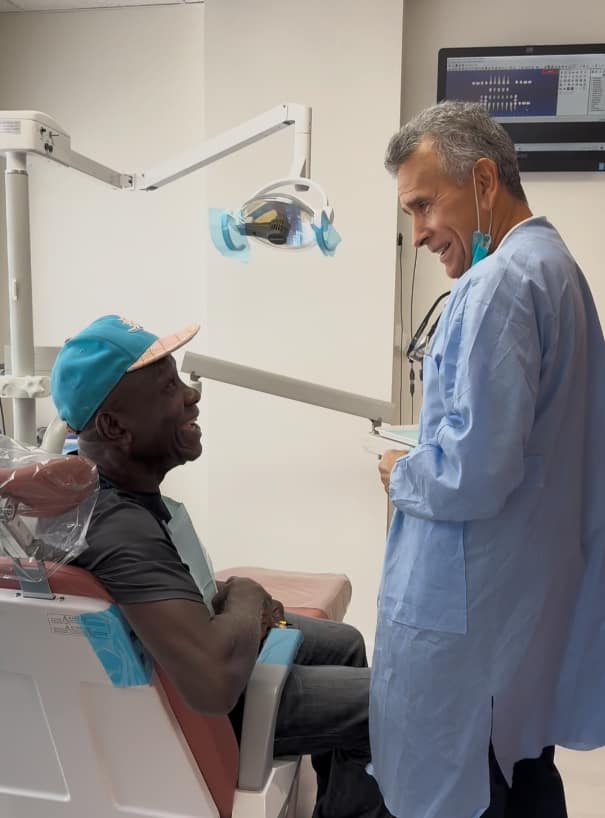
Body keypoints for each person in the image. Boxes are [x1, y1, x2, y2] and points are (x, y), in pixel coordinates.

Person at [50, 314, 392, 818]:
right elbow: (211, 680)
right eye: (169, 387)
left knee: (343, 644)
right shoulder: (119, 530)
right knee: (396, 707)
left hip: (197, 652)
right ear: (114, 426)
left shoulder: (122, 500)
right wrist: (247, 592)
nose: (192, 395)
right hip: (209, 707)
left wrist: (235, 599)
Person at [369, 101, 605, 818]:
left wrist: (399, 471)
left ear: (480, 180)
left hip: (473, 615)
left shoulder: (497, 283)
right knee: (524, 771)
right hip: (521, 601)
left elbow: (473, 471)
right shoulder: (555, 267)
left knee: (471, 786)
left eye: (422, 205)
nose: (416, 235)